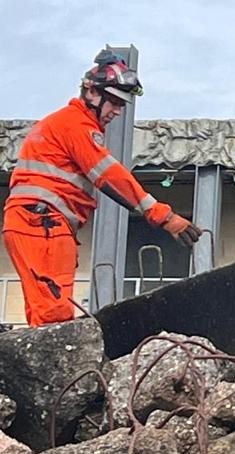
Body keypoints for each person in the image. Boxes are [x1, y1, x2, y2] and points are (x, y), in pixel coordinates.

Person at [2, 50, 204, 326]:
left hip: (32, 221)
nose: (118, 112)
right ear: (92, 92)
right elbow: (110, 176)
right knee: (54, 316)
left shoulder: (59, 123)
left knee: (43, 312)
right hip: (42, 223)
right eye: (114, 102)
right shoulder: (77, 125)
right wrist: (162, 216)